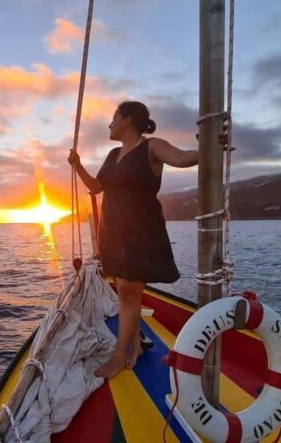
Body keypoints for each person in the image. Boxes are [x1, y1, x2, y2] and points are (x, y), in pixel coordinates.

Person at [68, 101, 198, 379]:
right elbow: (96, 187)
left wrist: (210, 147)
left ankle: (120, 353)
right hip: (112, 231)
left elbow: (183, 158)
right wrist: (78, 166)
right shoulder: (113, 154)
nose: (110, 124)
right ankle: (135, 344)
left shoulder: (152, 147)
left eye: (113, 118)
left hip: (141, 230)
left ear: (127, 120)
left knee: (128, 292)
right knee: (124, 290)